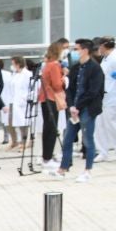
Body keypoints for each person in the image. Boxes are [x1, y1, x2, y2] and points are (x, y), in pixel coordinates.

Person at [57, 39, 104, 183]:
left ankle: (87, 170)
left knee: (87, 139)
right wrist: (71, 105)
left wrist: (78, 106)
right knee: (68, 138)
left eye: (77, 49)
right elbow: (70, 89)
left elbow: (93, 91)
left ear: (85, 50)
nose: (74, 52)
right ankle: (63, 167)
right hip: (74, 109)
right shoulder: (76, 67)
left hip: (87, 109)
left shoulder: (95, 69)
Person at [38, 42, 67, 173]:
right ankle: (47, 157)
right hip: (51, 98)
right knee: (51, 129)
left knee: (47, 128)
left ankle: (46, 156)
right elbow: (56, 84)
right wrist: (64, 79)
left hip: (45, 98)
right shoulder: (54, 65)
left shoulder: (47, 65)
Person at [97, 37, 116, 161]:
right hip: (103, 96)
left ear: (104, 45)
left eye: (99, 46)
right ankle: (103, 152)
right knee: (100, 125)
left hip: (113, 96)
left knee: (113, 125)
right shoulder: (105, 58)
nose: (99, 48)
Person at [8, 57, 34, 152]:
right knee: (17, 123)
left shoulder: (27, 74)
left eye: (13, 64)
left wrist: (25, 98)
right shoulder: (15, 74)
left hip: (23, 103)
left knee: (24, 124)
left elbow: (31, 88)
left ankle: (24, 143)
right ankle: (19, 142)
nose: (12, 66)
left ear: (18, 64)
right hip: (15, 102)